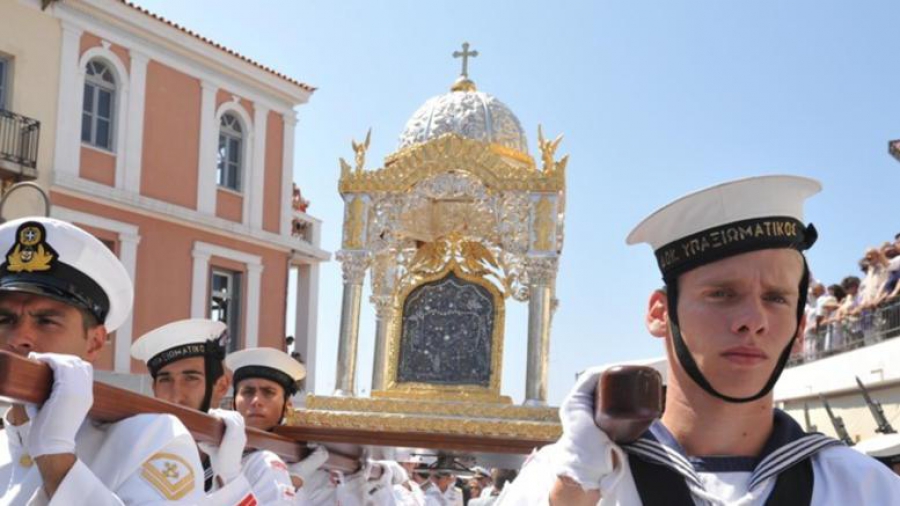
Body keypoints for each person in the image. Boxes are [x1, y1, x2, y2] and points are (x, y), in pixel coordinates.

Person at [497, 175, 900, 505]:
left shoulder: (866, 490)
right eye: (722, 294)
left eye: (776, 298)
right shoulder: (564, 481)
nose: (753, 321)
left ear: (799, 329)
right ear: (659, 313)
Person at [0, 217, 204, 504]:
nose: (18, 338)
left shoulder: (151, 438)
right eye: (4, 319)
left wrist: (57, 461)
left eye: (46, 321)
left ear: (94, 342)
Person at [131, 319, 292, 504]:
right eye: (165, 380)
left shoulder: (257, 467)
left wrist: (231, 479)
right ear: (153, 387)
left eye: (191, 378)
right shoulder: (138, 454)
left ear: (221, 386)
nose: (176, 397)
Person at [226, 347, 397, 506]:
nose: (256, 401)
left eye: (268, 392)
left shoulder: (312, 470)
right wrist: (291, 481)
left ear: (287, 407)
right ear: (233, 403)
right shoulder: (211, 448)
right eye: (247, 392)